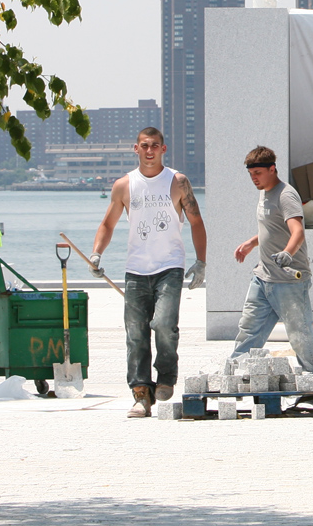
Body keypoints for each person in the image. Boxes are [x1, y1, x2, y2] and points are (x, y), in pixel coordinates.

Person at [90, 127, 207, 418]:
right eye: (145, 146)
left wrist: (201, 261)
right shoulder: (124, 185)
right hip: (136, 269)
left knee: (164, 324)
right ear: (136, 149)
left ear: (163, 149)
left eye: (155, 145)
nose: (150, 150)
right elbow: (108, 223)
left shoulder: (177, 182)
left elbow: (195, 221)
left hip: (170, 266)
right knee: (135, 333)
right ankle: (141, 394)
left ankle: (166, 376)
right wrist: (96, 253)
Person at [231, 146, 313, 380]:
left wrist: (287, 254)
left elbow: (297, 231)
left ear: (273, 169)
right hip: (263, 277)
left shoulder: (286, 195)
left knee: (299, 336)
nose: (254, 179)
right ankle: (236, 377)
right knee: (248, 331)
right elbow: (272, 227)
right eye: (251, 174)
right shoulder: (264, 192)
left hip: (289, 281)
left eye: (259, 173)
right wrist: (253, 243)